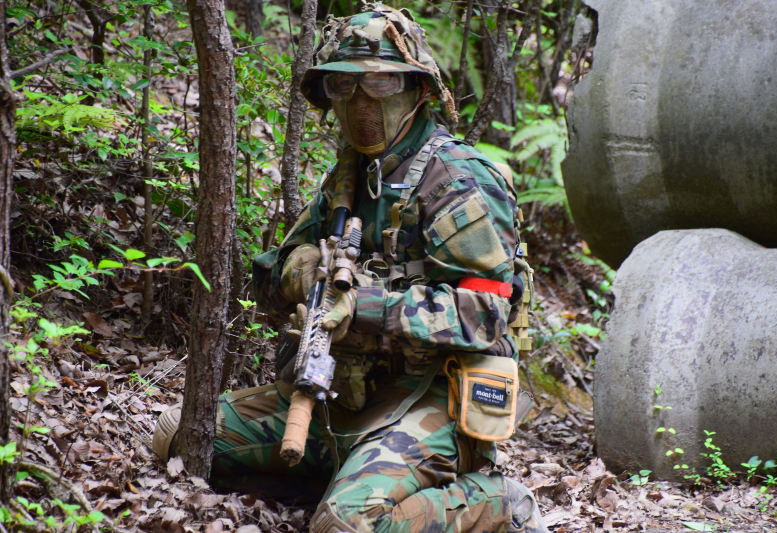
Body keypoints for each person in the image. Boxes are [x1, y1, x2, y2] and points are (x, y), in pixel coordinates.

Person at [154, 4, 547, 532]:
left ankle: (499, 504)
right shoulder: (350, 177)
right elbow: (268, 276)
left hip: (432, 396)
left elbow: (486, 314)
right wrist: (300, 271)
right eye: (344, 86)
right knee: (178, 436)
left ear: (418, 89)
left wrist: (363, 305)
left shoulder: (457, 180)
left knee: (345, 525)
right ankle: (349, 479)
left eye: (380, 83)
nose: (361, 103)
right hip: (341, 389)